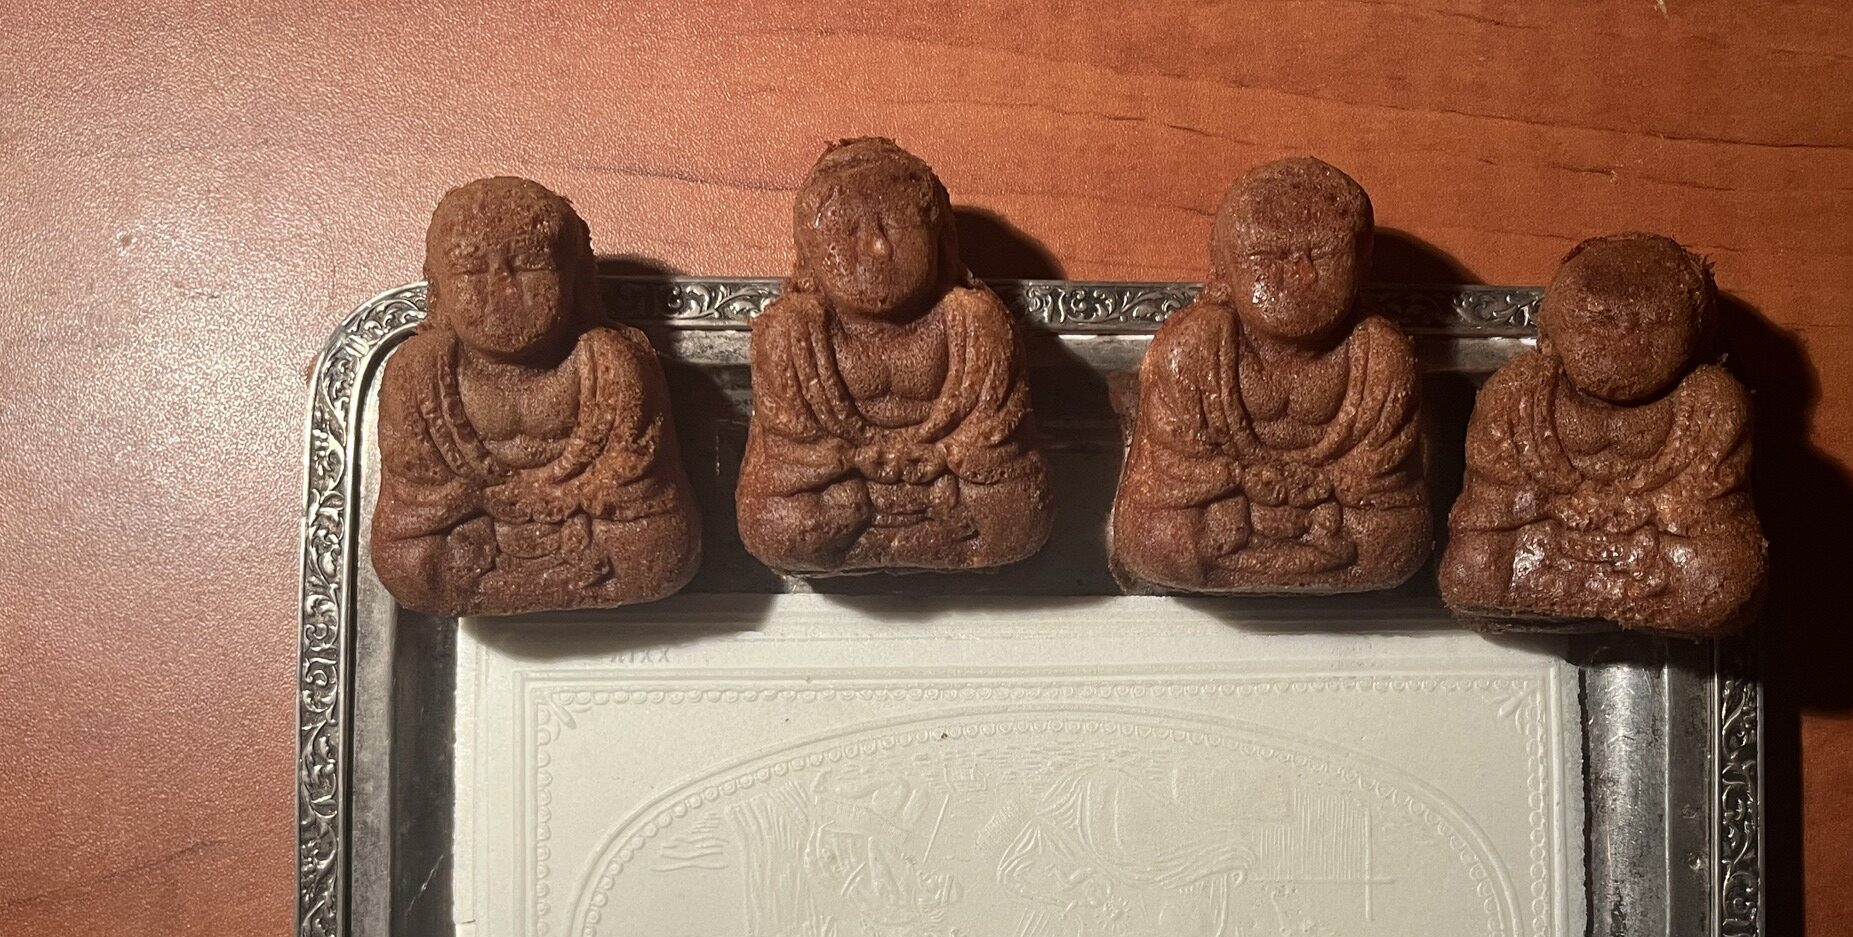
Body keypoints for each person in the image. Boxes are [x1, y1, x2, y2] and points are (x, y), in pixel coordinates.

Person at [371, 177, 698, 615]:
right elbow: (416, 492)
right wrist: (482, 501)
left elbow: (638, 478)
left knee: (662, 551)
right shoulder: (417, 372)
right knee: (408, 567)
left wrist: (566, 499)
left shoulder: (612, 361)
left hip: (588, 527)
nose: (502, 290)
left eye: (529, 265)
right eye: (471, 271)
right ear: (438, 283)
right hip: (471, 533)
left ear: (575, 276)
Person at [1111, 157, 1429, 593]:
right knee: (1159, 540)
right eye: (1267, 256)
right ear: (1224, 266)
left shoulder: (1381, 356)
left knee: (1394, 544)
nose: (1300, 275)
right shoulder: (1194, 348)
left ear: (1361, 263)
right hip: (1223, 514)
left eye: (1323, 255)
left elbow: (1385, 477)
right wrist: (1239, 481)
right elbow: (1171, 465)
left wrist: (1324, 486)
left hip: (1334, 520)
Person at [737, 138, 1051, 574]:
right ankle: (911, 542)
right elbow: (789, 448)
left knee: (1020, 520)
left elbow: (997, 435)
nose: (878, 248)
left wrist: (945, 458)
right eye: (848, 232)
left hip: (948, 488)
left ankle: (894, 545)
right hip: (842, 494)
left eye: (897, 226)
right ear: (809, 254)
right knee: (773, 529)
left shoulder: (976, 322)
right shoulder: (789, 332)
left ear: (939, 239)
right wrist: (851, 462)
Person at [1438, 232, 1765, 636]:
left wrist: (1639, 520)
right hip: (1543, 542)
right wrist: (1553, 515)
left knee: (1722, 583)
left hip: (1657, 547)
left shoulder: (1711, 401)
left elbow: (1709, 511)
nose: (1624, 336)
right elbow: (1493, 498)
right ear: (1549, 337)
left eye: (1654, 323)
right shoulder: (1518, 392)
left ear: (1699, 340)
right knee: (1472, 572)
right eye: (1598, 321)